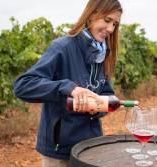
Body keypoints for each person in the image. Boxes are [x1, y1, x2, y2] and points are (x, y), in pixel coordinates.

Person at [13, 0, 123, 166]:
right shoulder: (62, 47)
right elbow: (23, 86)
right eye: (107, 21)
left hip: (92, 146)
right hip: (60, 150)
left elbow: (106, 93)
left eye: (115, 24)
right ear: (91, 15)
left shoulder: (102, 53)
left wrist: (98, 107)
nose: (110, 29)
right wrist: (68, 87)